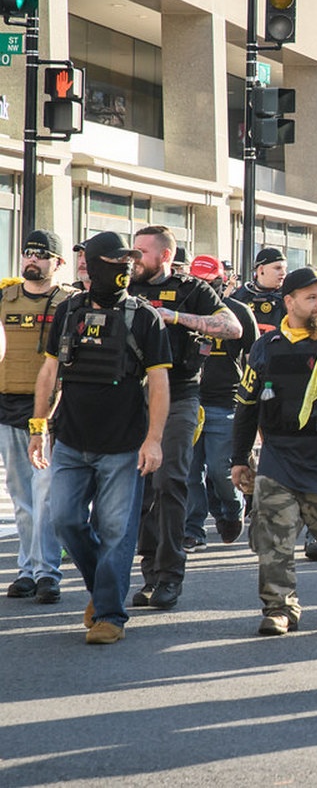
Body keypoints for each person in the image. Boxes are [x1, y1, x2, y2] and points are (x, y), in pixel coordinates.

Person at [29, 231, 172, 644]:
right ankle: (103, 588)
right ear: (92, 265)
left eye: (128, 261)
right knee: (66, 521)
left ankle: (110, 614)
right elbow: (49, 373)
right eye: (114, 262)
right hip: (71, 440)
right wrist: (38, 427)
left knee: (116, 532)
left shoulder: (142, 316)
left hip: (124, 446)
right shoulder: (68, 310)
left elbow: (160, 384)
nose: (124, 269)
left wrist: (154, 439)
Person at [231, 267, 317, 635]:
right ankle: (280, 608)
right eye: (311, 297)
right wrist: (238, 459)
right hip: (280, 456)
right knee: (272, 538)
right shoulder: (266, 348)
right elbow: (247, 406)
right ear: (289, 301)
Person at [130, 225, 243, 611]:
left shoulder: (193, 290)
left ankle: (170, 576)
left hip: (180, 395)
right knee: (140, 490)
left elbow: (232, 327)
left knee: (170, 480)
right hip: (131, 399)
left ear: (164, 255)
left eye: (141, 251)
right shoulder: (124, 288)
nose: (134, 258)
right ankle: (149, 574)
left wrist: (176, 317)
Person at [1, 230, 75, 603]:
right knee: (22, 497)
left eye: (42, 255)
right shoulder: (4, 297)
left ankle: (48, 572)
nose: (32, 259)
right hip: (9, 407)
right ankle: (28, 570)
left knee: (46, 496)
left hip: (52, 412)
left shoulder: (69, 303)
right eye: (28, 253)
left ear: (57, 263)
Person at [184, 255, 258, 549]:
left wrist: (254, 404)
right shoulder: (183, 311)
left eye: (211, 281)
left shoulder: (240, 312)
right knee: (190, 472)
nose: (206, 288)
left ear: (223, 280)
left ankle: (231, 508)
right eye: (199, 282)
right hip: (189, 400)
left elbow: (254, 361)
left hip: (226, 401)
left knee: (219, 470)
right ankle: (193, 528)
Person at [231, 247, 288, 334]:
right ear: (261, 269)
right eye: (277, 268)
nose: (283, 273)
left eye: (285, 269)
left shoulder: (289, 298)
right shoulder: (240, 296)